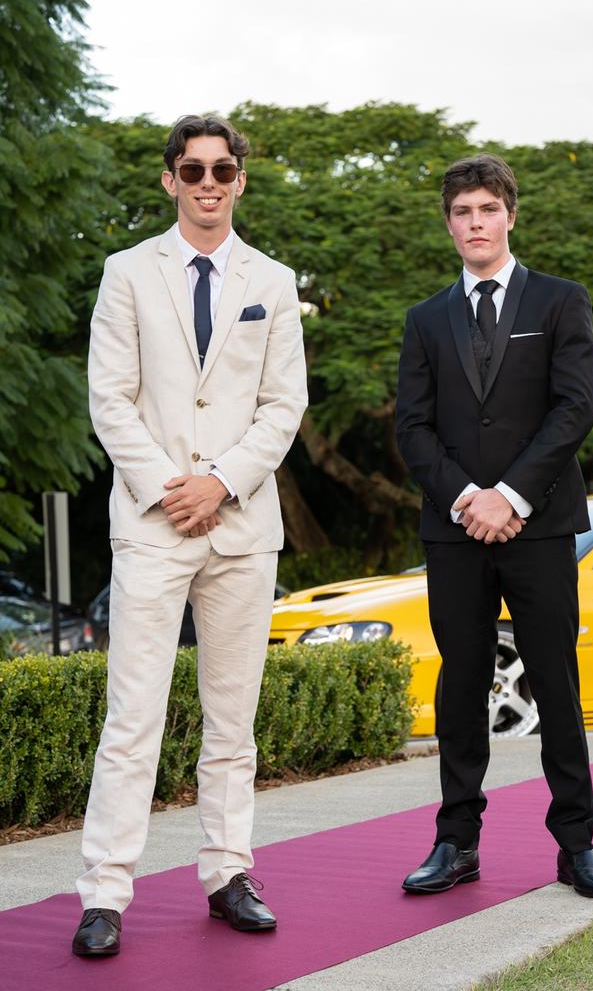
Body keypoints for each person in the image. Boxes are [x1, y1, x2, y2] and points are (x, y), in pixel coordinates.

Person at [72, 114, 308, 956]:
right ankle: (104, 891)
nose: (208, 182)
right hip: (153, 524)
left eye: (221, 168)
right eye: (192, 169)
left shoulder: (273, 281)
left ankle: (228, 871)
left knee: (231, 720)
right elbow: (111, 397)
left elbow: (284, 404)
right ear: (170, 179)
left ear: (240, 178)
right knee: (132, 716)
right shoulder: (125, 272)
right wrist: (173, 489)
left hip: (243, 528)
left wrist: (223, 483)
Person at [395, 153, 593, 900]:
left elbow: (573, 409)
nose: (475, 224)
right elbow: (413, 429)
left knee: (556, 681)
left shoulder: (561, 301)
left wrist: (511, 497)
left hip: (542, 524)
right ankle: (455, 842)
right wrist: (468, 496)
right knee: (461, 686)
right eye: (461, 213)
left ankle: (577, 846)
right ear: (449, 223)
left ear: (510, 215)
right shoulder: (425, 318)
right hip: (453, 528)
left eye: (487, 209)